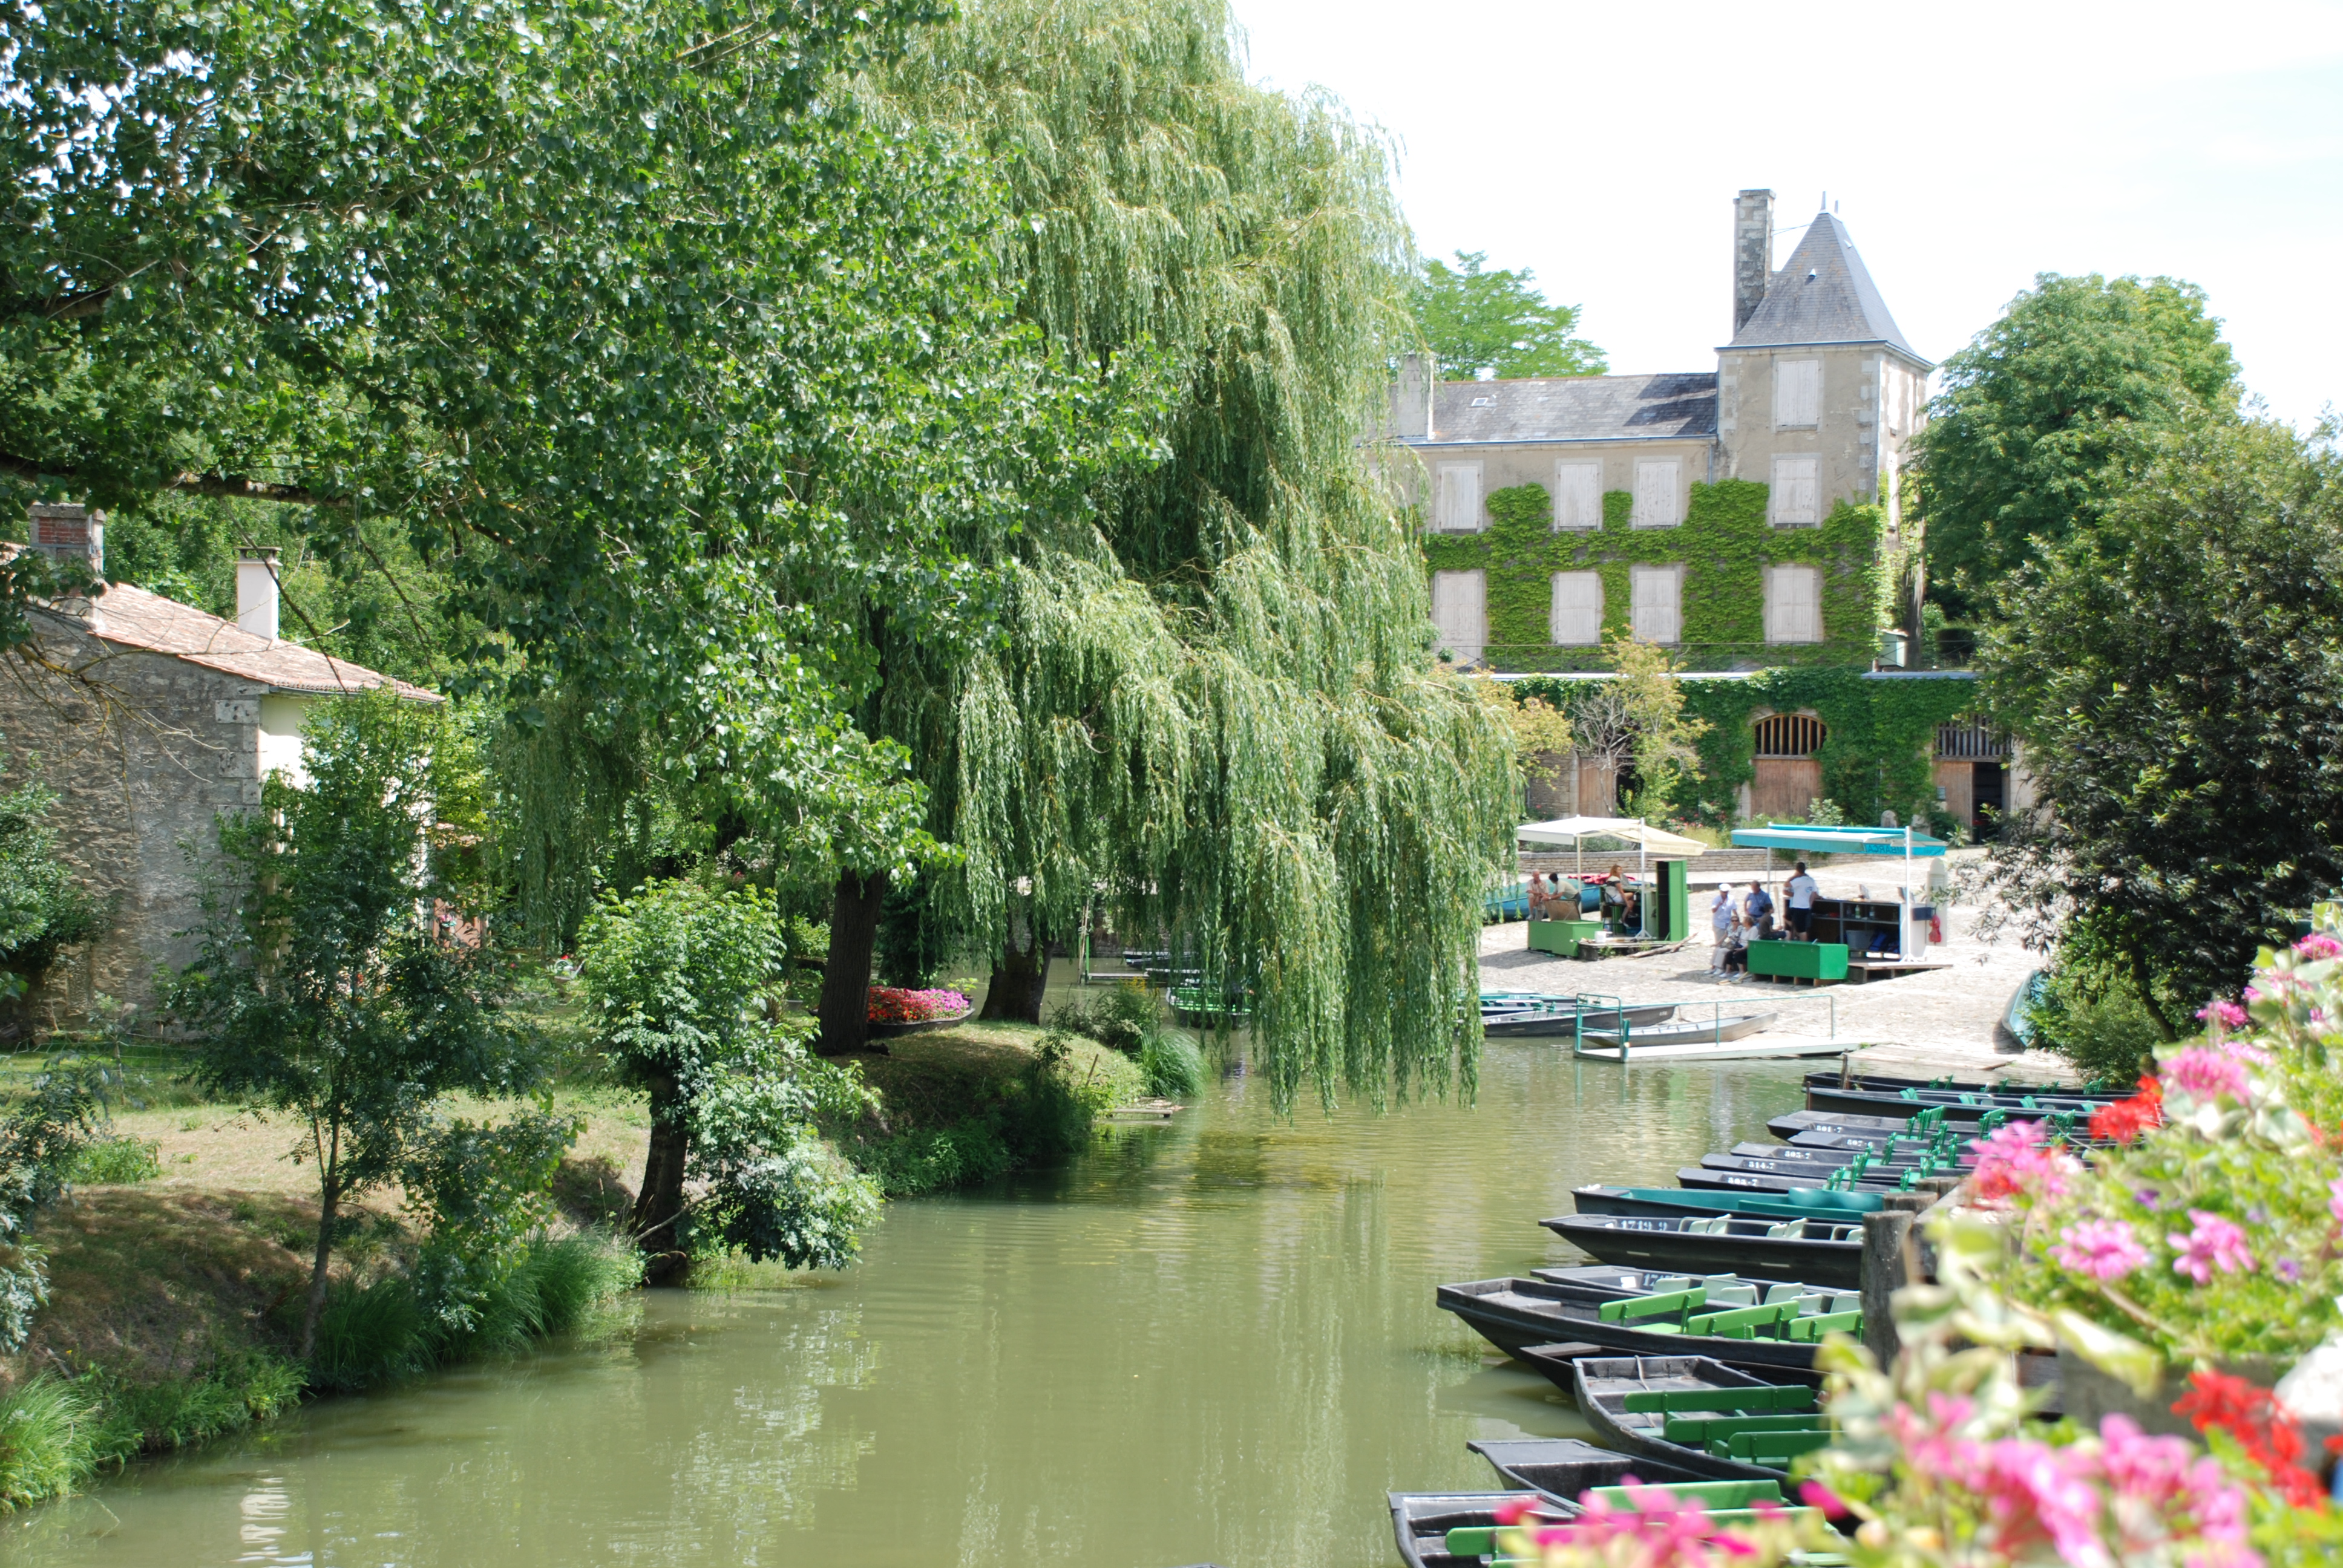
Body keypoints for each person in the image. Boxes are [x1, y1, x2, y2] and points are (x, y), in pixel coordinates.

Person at [1784, 860, 1820, 941]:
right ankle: (1796, 934)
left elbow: (1786, 884)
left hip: (1798, 907)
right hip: (1806, 907)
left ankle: (1803, 943)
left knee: (1802, 930)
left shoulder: (1799, 880)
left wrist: (1794, 876)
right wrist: (1810, 905)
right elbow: (1814, 894)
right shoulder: (1811, 880)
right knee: (1790, 919)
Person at [1708, 884, 1735, 973]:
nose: (1725, 894)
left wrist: (1737, 921)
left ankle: (1723, 965)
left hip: (1728, 923)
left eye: (1727, 892)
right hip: (1719, 923)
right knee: (1719, 944)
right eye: (1724, 892)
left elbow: (1734, 910)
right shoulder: (1716, 899)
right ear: (1720, 892)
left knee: (1729, 944)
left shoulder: (1731, 899)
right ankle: (1715, 966)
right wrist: (1719, 905)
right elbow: (1713, 911)